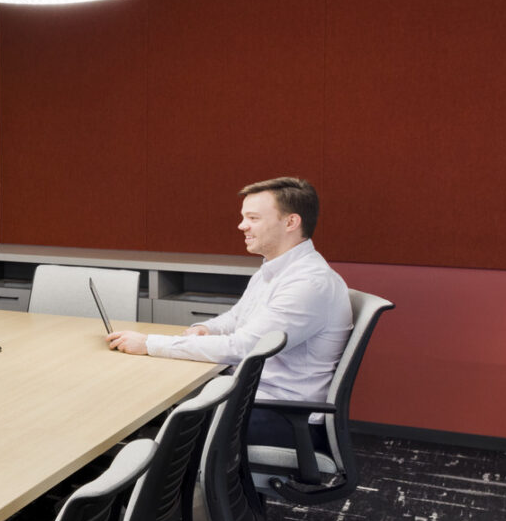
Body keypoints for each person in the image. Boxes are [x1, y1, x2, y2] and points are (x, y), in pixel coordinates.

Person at [106, 177, 351, 452]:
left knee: (170, 427)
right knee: (161, 412)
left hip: (284, 418)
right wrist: (206, 329)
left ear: (290, 222)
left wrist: (149, 344)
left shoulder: (308, 283)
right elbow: (237, 318)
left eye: (253, 218)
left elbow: (245, 347)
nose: (241, 225)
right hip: (254, 397)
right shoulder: (275, 269)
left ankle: (170, 491)